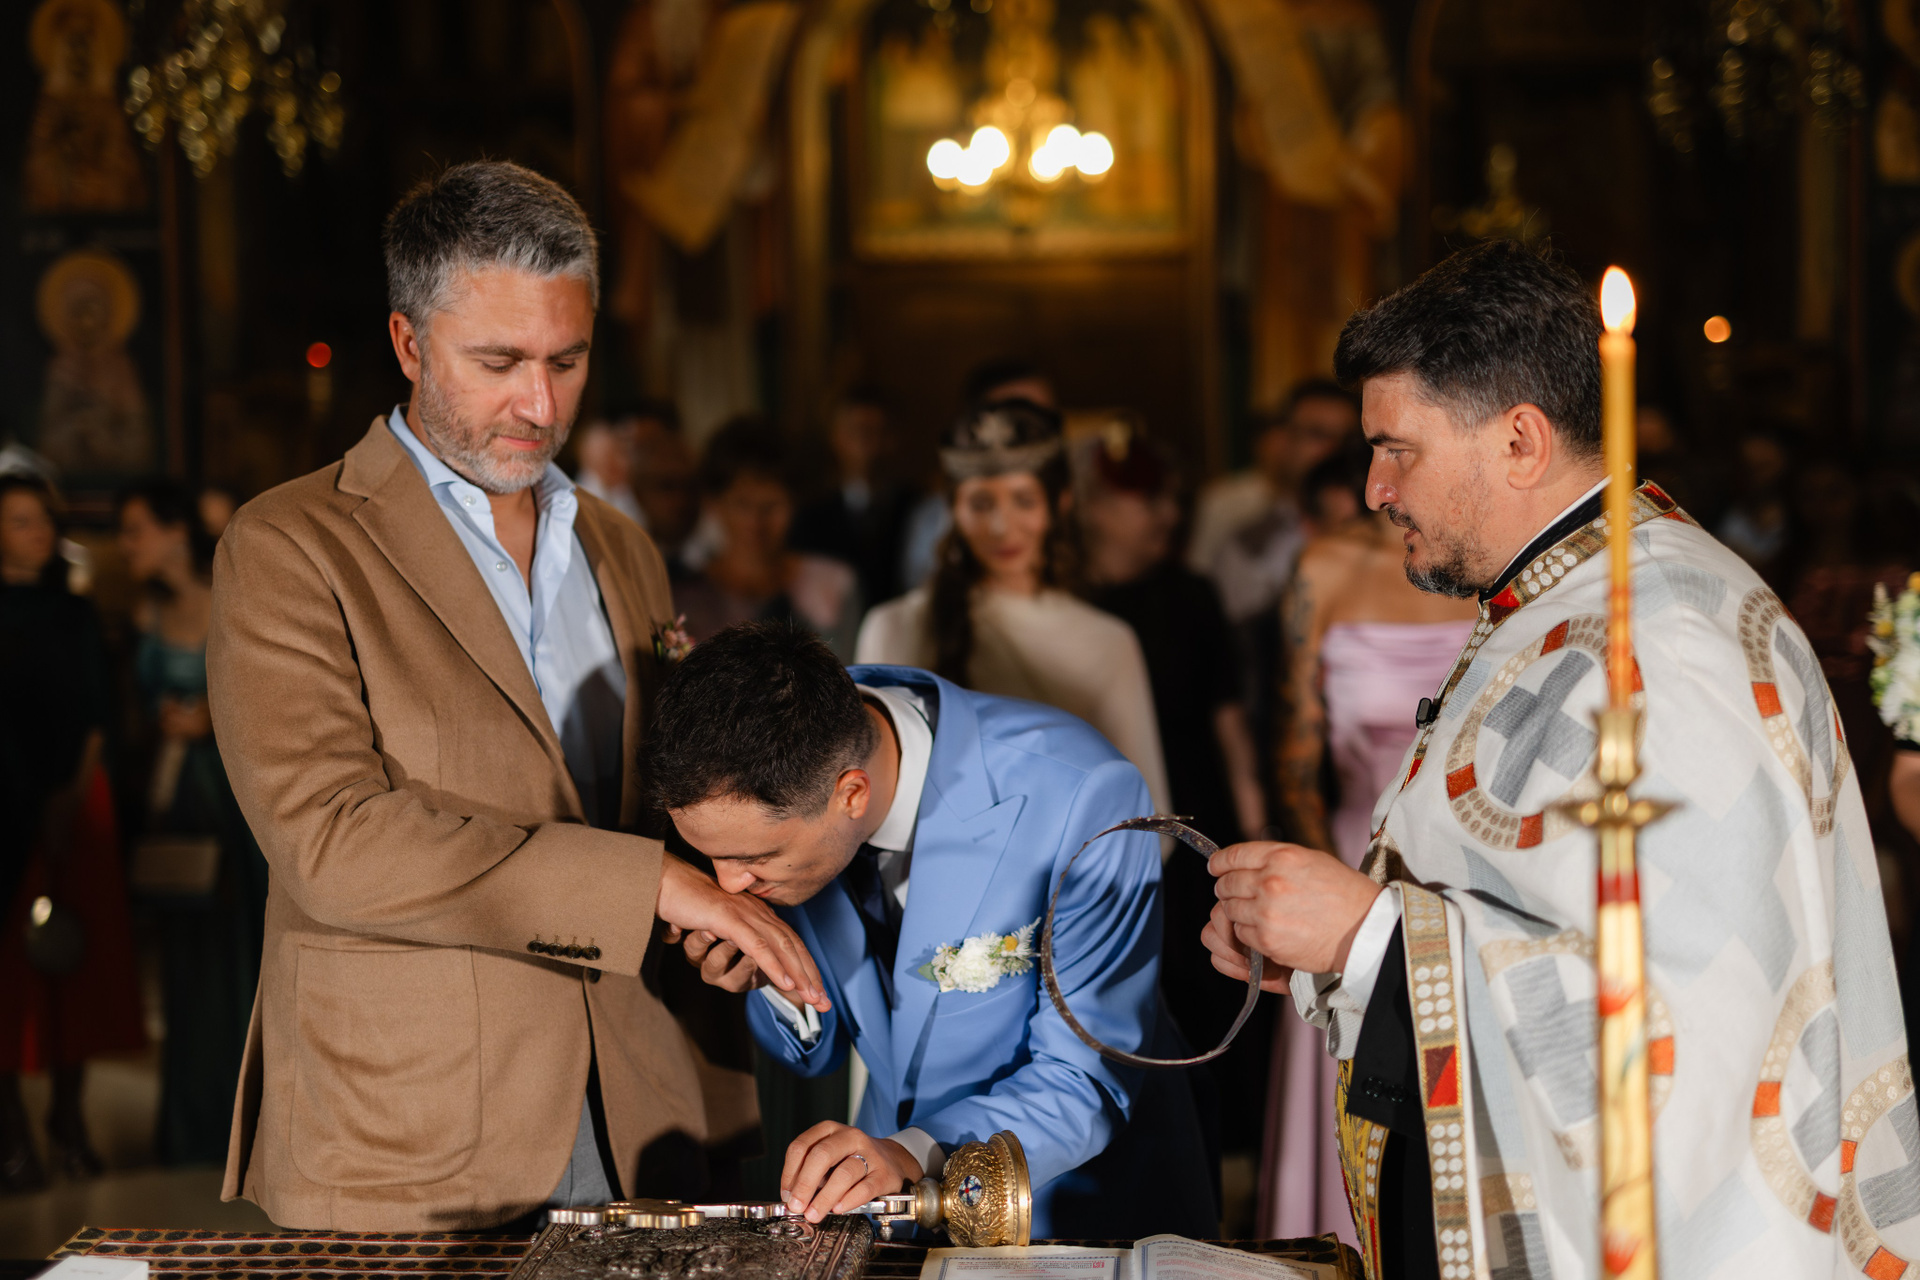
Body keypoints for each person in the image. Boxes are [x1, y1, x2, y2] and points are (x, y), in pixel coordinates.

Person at [1202, 240, 1910, 1279]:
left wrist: (1365, 935)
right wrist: (1336, 947)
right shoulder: (1565, 598)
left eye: (1397, 450)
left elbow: (1686, 1025)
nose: (1374, 488)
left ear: (1520, 441)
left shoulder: (1662, 639)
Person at [206, 160, 827, 1230]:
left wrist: (718, 905)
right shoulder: (289, 545)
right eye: (498, 362)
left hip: (647, 1096)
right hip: (412, 1124)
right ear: (409, 344)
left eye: (567, 361)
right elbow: (330, 838)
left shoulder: (622, 547)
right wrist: (653, 887)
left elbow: (654, 803)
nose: (540, 405)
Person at [646, 621, 1217, 1239]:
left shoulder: (1083, 792)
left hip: (1068, 1212)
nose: (726, 886)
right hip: (890, 1219)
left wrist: (910, 1152)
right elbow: (818, 1055)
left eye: (753, 859)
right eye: (712, 859)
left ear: (852, 794)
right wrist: (774, 977)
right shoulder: (782, 758)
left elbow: (1084, 1078)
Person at [1258, 444, 1476, 1246]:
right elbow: (1294, 755)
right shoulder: (1324, 568)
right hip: (1350, 850)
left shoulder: (1488, 569)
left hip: (1467, 865)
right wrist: (1337, 887)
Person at [855, 399, 1171, 818]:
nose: (1002, 526)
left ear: (1060, 503)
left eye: (1024, 500)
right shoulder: (894, 626)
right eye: (981, 504)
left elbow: (1144, 816)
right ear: (953, 509)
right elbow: (864, 796)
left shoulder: (1108, 642)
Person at [118, 477, 269, 1167]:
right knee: (184, 962)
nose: (126, 546)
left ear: (176, 533)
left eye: (135, 531)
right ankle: (191, 1125)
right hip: (175, 793)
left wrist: (213, 718)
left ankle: (247, 1125)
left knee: (239, 954)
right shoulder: (145, 613)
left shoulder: (231, 594)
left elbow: (272, 692)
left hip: (231, 797)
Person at [0, 476, 143, 1190]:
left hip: (78, 797)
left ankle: (68, 1118)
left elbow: (97, 713)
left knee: (78, 962)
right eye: (20, 520)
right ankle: (10, 1133)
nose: (38, 532)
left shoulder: (74, 610)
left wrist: (71, 794)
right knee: (9, 970)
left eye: (43, 519)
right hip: (3, 801)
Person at [674, 417, 860, 655]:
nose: (756, 522)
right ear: (714, 504)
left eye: (770, 506)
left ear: (795, 503)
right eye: (742, 504)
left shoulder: (834, 585)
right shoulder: (684, 597)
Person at [1187, 381, 1360, 623]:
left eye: (1346, 439)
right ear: (1283, 440)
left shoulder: (1380, 520)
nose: (1333, 449)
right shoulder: (1242, 529)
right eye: (1318, 434)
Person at [789, 388, 918, 609]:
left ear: (893, 438)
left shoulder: (919, 508)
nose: (866, 443)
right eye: (857, 431)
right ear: (835, 438)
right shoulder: (810, 516)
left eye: (877, 431)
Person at [572, 417, 647, 526]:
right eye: (609, 456)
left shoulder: (623, 491)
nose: (624, 462)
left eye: (621, 452)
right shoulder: (581, 499)